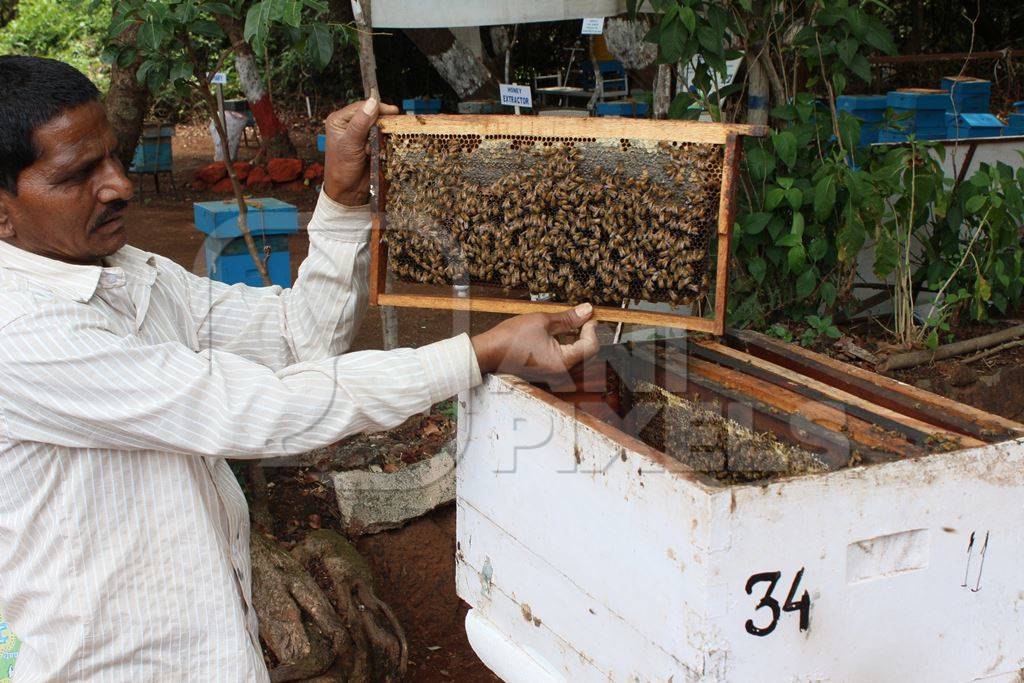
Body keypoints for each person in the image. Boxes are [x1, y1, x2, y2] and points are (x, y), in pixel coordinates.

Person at [0, 55, 598, 681]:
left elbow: (297, 339)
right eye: (77, 176)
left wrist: (339, 197)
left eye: (113, 156)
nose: (118, 184)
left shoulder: (132, 272)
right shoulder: (21, 335)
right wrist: (480, 352)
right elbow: (257, 410)